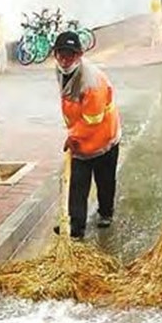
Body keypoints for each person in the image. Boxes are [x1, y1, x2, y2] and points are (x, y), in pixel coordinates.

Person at [51, 31, 122, 239]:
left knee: (104, 180)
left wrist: (74, 136)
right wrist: (75, 135)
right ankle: (75, 226)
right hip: (81, 139)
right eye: (61, 55)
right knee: (77, 183)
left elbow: (94, 118)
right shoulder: (62, 71)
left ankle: (106, 213)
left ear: (80, 55)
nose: (65, 60)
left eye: (70, 55)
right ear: (55, 55)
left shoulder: (92, 82)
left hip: (104, 138)